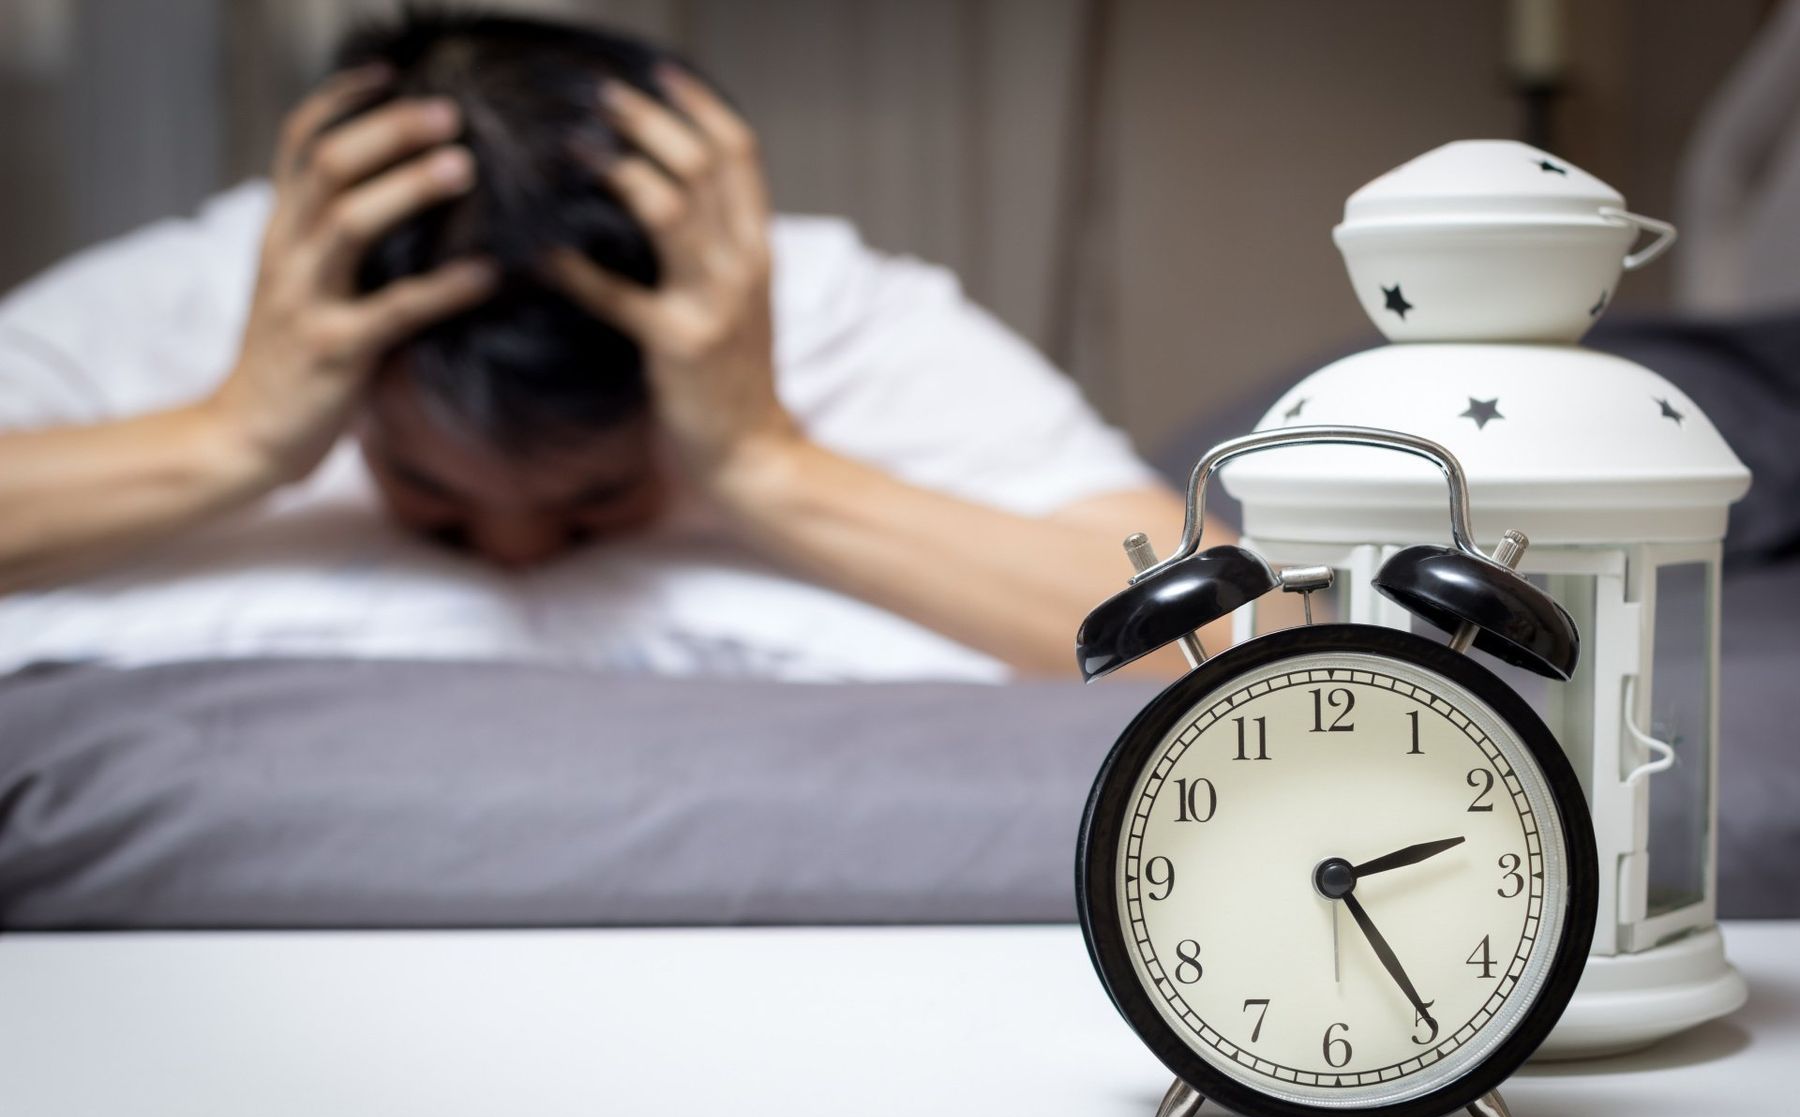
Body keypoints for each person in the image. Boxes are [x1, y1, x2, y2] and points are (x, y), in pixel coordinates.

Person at [0, 10, 1212, 681]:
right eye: (426, 491)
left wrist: (759, 459)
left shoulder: (818, 308)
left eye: (597, 504)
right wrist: (233, 438)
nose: (518, 552)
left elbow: (1222, 638)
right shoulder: (260, 285)